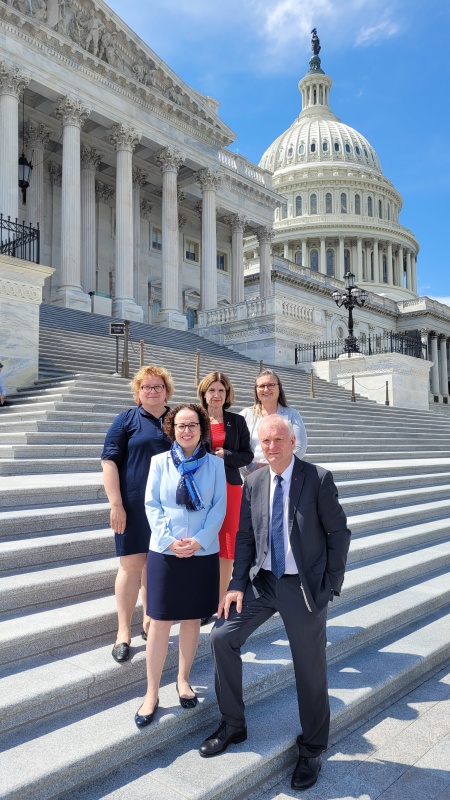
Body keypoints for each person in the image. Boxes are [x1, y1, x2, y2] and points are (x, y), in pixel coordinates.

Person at [199, 415, 351, 792]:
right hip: (263, 582)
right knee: (221, 636)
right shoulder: (253, 481)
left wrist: (329, 583)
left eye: (278, 440)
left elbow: (339, 533)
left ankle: (312, 748)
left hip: (303, 587)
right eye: (265, 441)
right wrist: (235, 586)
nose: (271, 447)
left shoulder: (316, 478)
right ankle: (233, 724)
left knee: (309, 667)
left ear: (293, 441)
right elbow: (246, 539)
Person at [135, 404, 226, 728]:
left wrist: (199, 540)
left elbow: (219, 507)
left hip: (201, 553)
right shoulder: (160, 463)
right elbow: (152, 504)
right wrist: (169, 540)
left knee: (191, 619)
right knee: (159, 621)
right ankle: (151, 693)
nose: (187, 431)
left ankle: (183, 680)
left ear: (202, 429)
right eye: (181, 425)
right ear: (172, 429)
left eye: (193, 425)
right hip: (165, 551)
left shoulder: (215, 465)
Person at [101, 365, 173, 663]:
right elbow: (109, 462)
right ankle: (123, 633)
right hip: (133, 505)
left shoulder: (177, 419)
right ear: (138, 392)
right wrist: (116, 504)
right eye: (147, 387)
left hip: (171, 507)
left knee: (157, 566)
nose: (153, 391)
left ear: (167, 390)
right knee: (132, 567)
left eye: (158, 386)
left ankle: (149, 619)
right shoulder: (126, 420)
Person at [197, 371, 253, 600]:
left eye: (221, 390)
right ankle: (202, 599)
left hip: (230, 488)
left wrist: (226, 455)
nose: (216, 395)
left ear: (227, 393)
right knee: (202, 544)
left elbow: (247, 455)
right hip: (200, 489)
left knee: (227, 547)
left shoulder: (237, 421)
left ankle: (220, 600)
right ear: (204, 392)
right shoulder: (194, 418)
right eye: (212, 390)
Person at [240, 369, 307, 475]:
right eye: (261, 386)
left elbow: (299, 447)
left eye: (271, 385)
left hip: (284, 474)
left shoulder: (292, 415)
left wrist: (278, 467)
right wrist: (253, 467)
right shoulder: (245, 415)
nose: (266, 390)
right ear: (256, 390)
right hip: (251, 475)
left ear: (278, 387)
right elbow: (236, 448)